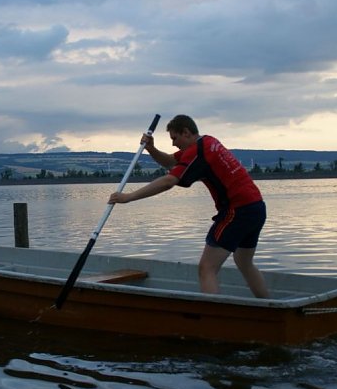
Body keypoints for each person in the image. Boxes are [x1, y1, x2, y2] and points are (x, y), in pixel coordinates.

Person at [108, 114, 270, 298]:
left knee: (206, 268)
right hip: (256, 207)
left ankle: (213, 320)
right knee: (244, 262)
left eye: (175, 138)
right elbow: (171, 161)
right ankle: (269, 308)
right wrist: (151, 149)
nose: (173, 144)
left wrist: (128, 197)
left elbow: (169, 181)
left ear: (186, 132)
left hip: (237, 211)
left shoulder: (197, 151)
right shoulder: (208, 142)